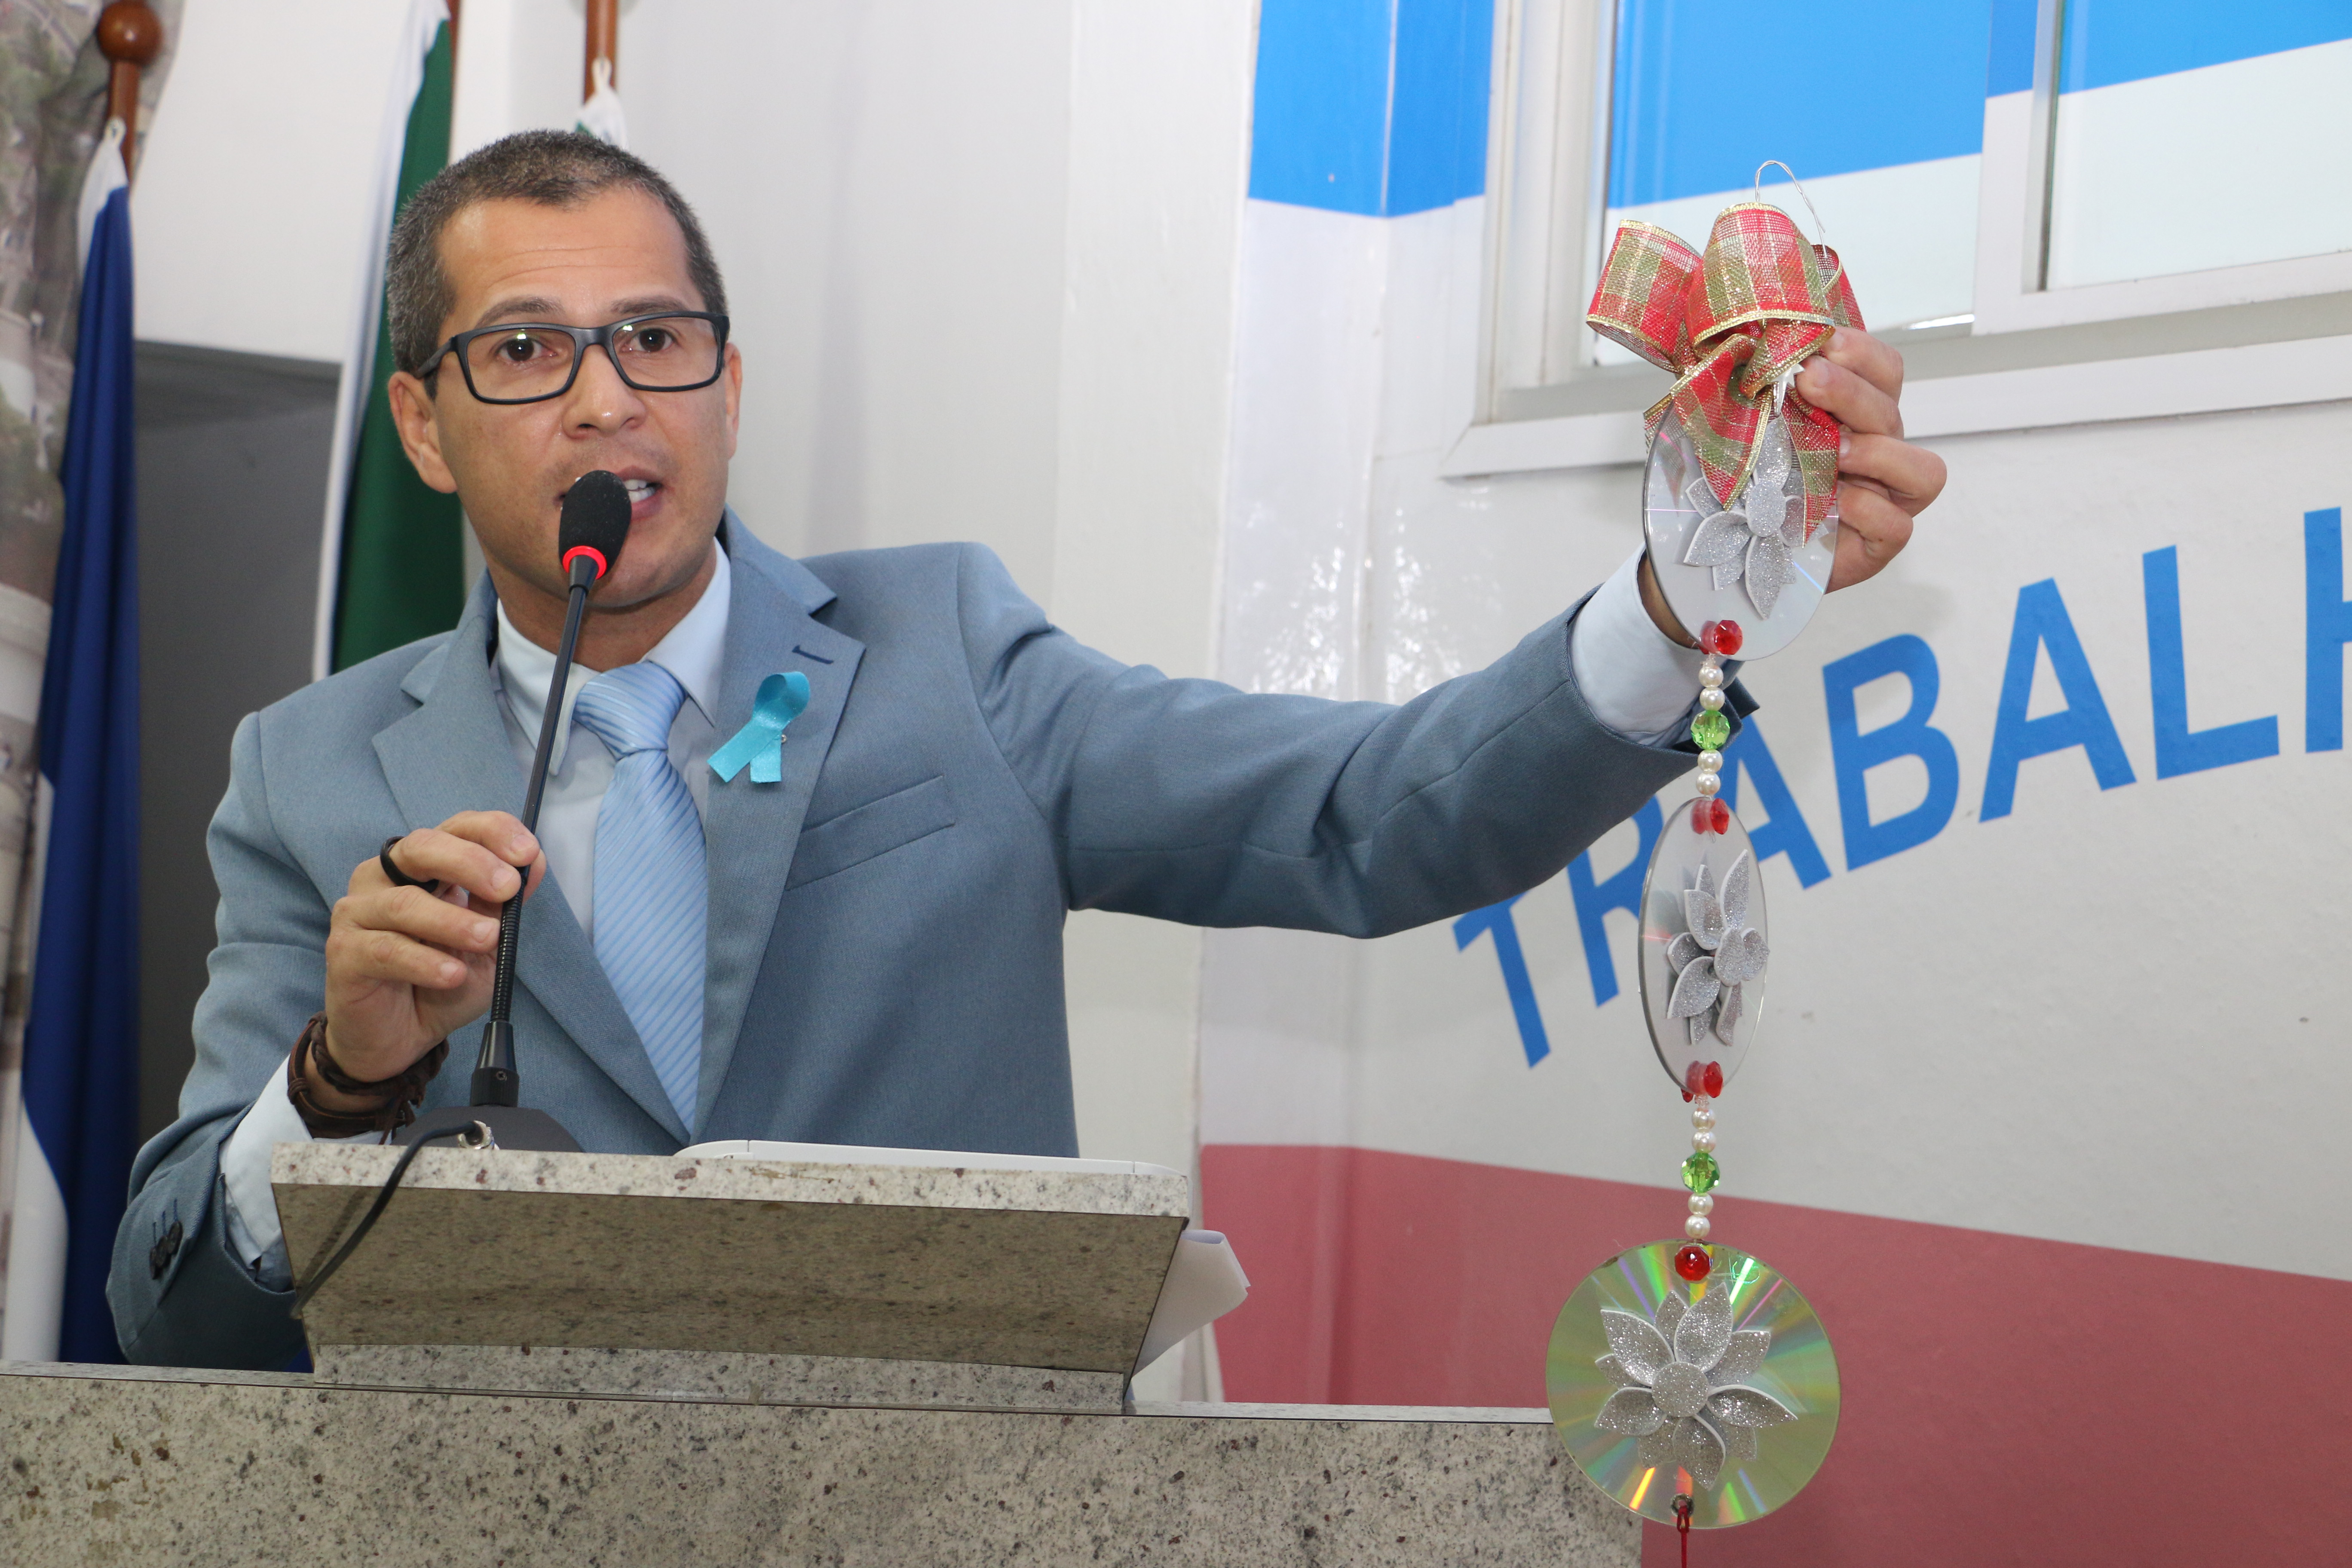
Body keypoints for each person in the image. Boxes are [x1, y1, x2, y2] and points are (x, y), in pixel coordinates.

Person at [108, 132, 1944, 1369]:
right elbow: (171, 1311)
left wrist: (1676, 596)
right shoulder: (312, 774)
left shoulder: (946, 654)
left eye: (655, 339)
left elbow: (1363, 820)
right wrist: (341, 1082)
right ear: (424, 425)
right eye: (525, 354)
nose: (606, 399)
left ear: (730, 387)